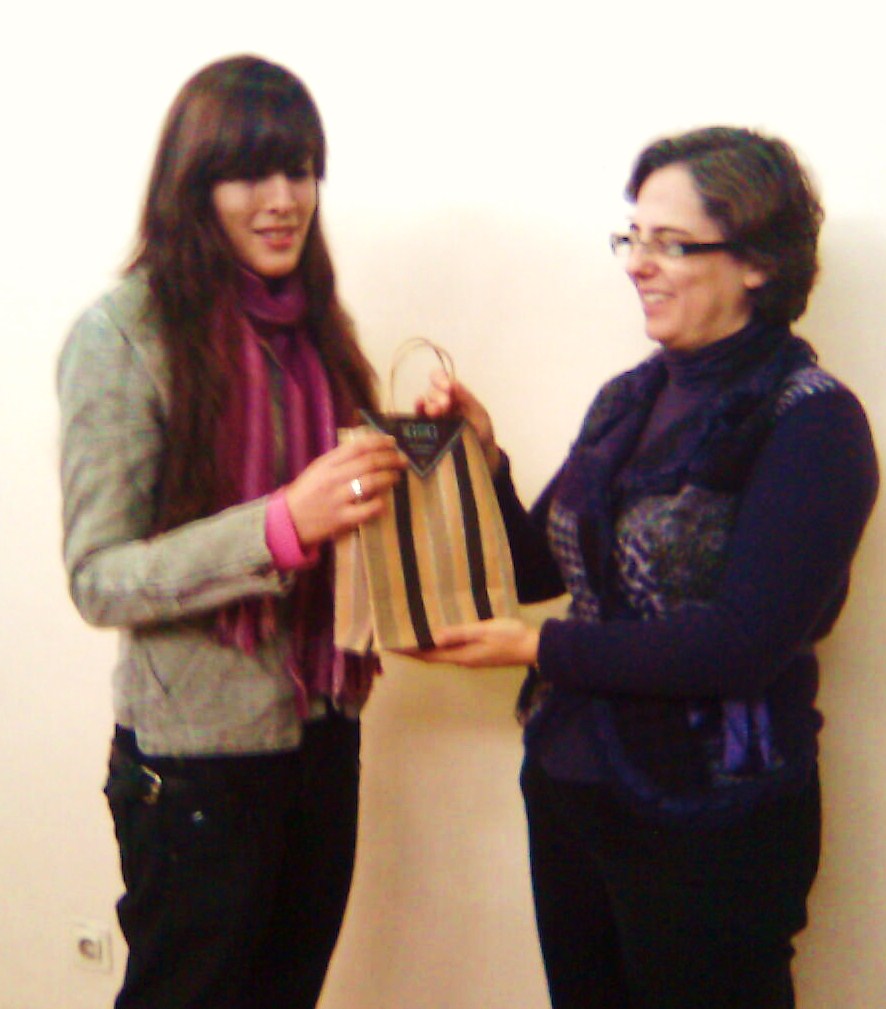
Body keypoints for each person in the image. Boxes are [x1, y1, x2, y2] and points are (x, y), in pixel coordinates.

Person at [414, 127, 879, 1008]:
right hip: (570, 794)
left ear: (758, 262)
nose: (637, 263)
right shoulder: (629, 398)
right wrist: (484, 458)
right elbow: (536, 566)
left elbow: (743, 644)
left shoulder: (814, 423)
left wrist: (539, 648)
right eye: (632, 236)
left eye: (671, 242)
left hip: (713, 823)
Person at [58, 55, 406, 1009]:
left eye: (300, 169)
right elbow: (98, 576)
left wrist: (436, 453)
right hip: (196, 759)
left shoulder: (316, 327)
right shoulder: (123, 334)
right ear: (193, 183)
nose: (283, 198)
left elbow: (352, 512)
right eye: (250, 172)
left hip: (325, 731)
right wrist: (279, 526)